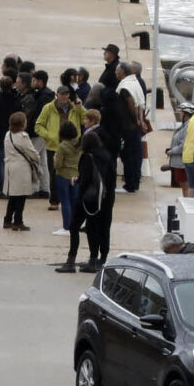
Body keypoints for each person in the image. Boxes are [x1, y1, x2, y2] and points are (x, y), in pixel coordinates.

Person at [74, 108, 117, 271]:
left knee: (92, 228)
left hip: (92, 199)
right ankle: (103, 258)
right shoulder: (106, 155)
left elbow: (85, 180)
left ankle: (93, 258)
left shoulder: (88, 157)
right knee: (105, 227)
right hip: (107, 196)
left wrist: (79, 191)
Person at [36, 87, 79, 235]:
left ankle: (69, 218)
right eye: (62, 94)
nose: (64, 97)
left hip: (72, 144)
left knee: (69, 174)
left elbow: (87, 118)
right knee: (54, 172)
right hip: (54, 146)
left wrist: (80, 107)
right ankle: (54, 200)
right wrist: (49, 136)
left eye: (67, 94)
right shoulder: (48, 108)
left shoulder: (75, 107)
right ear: (57, 95)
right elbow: (38, 125)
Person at [0, 110, 45, 231]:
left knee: (13, 195)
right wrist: (38, 160)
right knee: (21, 196)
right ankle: (18, 221)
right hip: (21, 168)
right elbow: (32, 152)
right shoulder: (23, 136)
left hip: (10, 167)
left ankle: (7, 219)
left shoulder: (8, 134)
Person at [116, 63, 152, 192]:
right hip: (135, 126)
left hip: (128, 126)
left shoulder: (125, 87)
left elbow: (131, 102)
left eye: (117, 70)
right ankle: (134, 183)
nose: (116, 72)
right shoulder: (135, 81)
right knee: (136, 154)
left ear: (123, 72)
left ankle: (130, 185)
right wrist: (140, 120)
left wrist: (137, 119)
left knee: (129, 155)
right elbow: (140, 104)